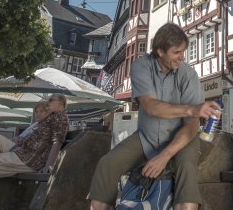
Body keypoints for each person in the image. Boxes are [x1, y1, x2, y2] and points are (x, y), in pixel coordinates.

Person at [89, 23, 221, 210]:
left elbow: (192, 125)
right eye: (177, 52)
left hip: (181, 138)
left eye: (183, 51)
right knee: (107, 164)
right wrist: (192, 109)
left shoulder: (188, 74)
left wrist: (164, 156)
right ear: (160, 51)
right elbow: (150, 107)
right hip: (146, 138)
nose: (182, 57)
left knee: (186, 169)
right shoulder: (141, 66)